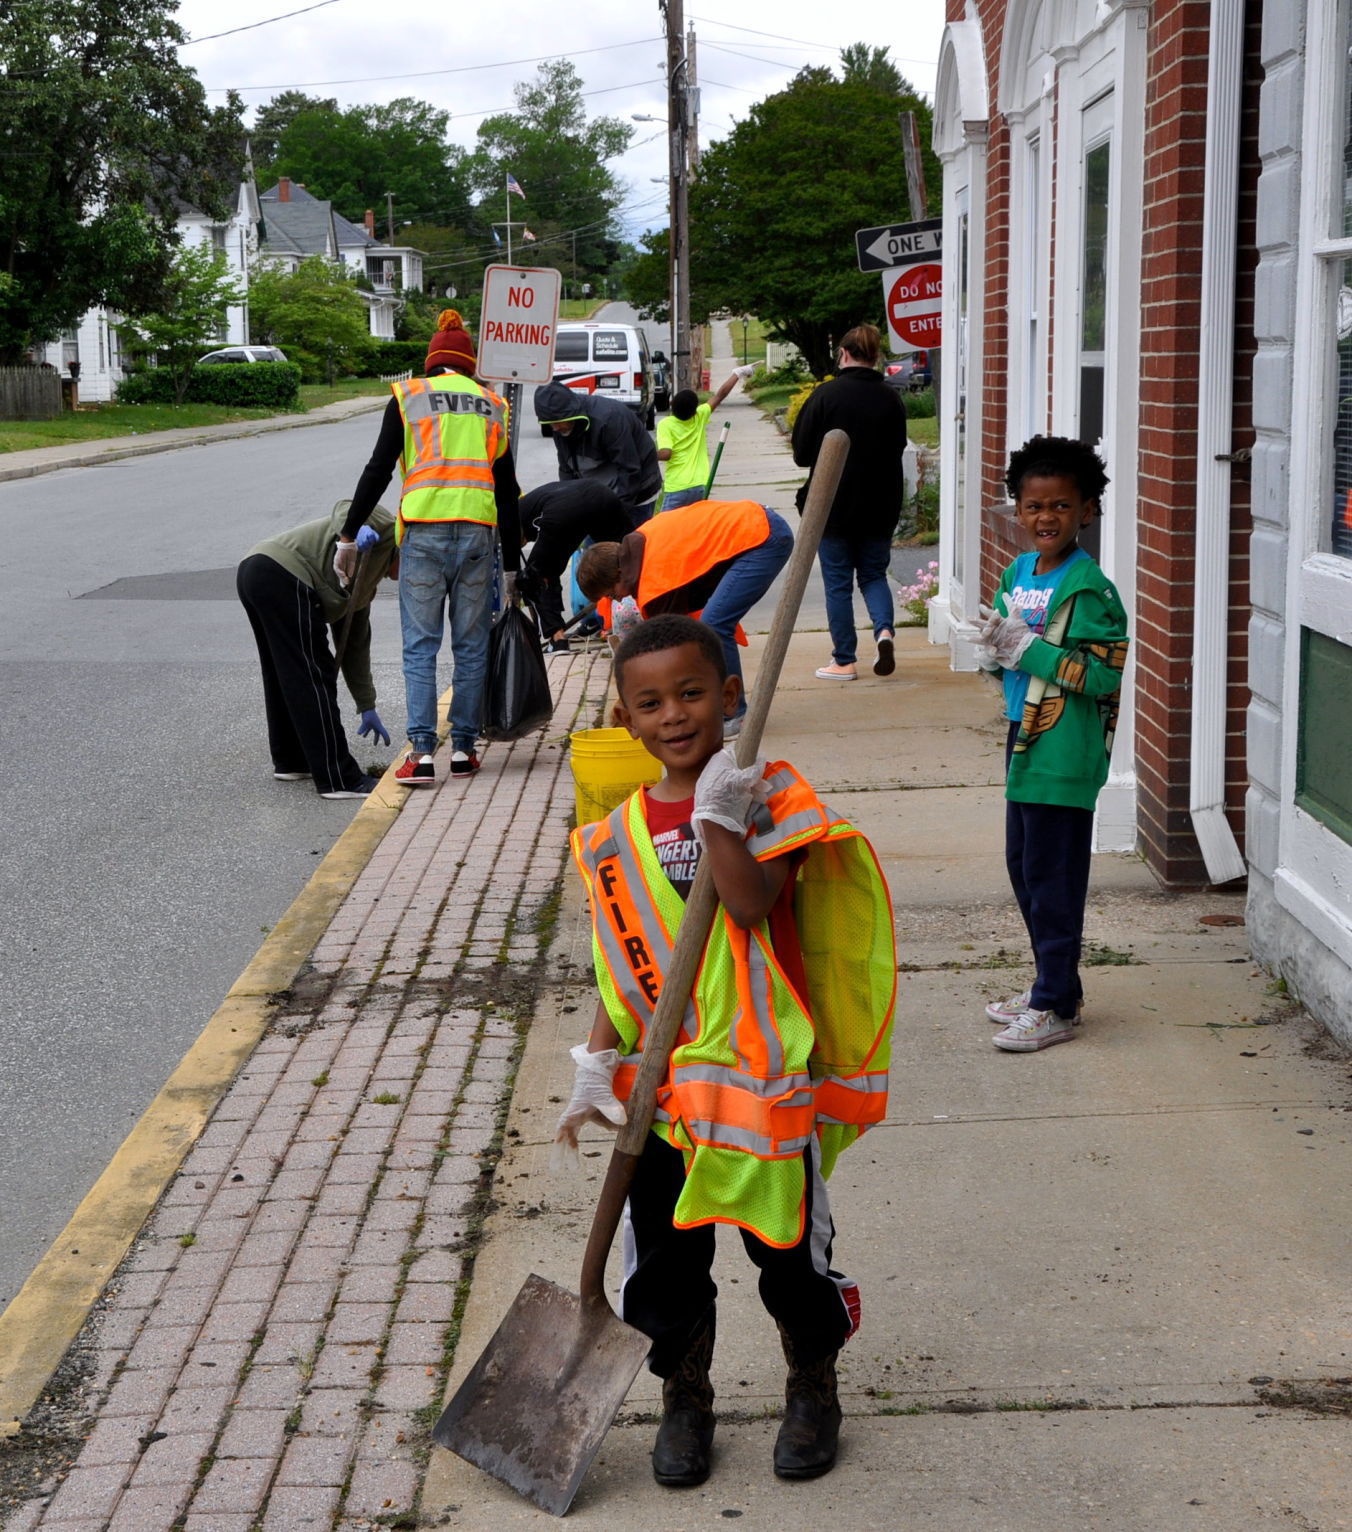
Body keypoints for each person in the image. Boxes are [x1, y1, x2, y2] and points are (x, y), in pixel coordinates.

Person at [558, 614, 895, 1487]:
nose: (674, 714)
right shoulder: (614, 835)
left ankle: (813, 1386)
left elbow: (749, 904)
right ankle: (686, 1397)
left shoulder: (767, 795)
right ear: (627, 719)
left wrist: (718, 818)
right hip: (663, 1097)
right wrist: (595, 1064)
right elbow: (620, 964)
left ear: (731, 694)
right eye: (651, 703)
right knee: (664, 1266)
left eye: (691, 693)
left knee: (790, 1260)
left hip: (761, 1088)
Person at [976, 435, 1130, 1052]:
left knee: (1053, 876)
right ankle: (1054, 984)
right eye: (1034, 506)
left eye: (1062, 506)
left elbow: (1102, 675)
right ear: (1017, 510)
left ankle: (1054, 1006)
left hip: (1064, 747)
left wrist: (1028, 649)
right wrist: (994, 649)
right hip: (1025, 737)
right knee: (1025, 867)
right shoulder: (1019, 572)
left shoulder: (1090, 587)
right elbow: (1006, 650)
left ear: (1087, 510)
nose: (1047, 517)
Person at [334, 310, 521, 788]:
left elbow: (378, 469)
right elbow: (506, 489)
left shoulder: (408, 396)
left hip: (423, 533)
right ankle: (463, 749)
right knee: (471, 644)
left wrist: (349, 534)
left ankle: (420, 754)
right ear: (469, 363)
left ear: (432, 361)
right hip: (478, 534)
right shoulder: (492, 405)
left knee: (421, 646)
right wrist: (512, 564)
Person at [575, 499, 794, 734]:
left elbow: (670, 648)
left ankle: (734, 715)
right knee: (709, 628)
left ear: (619, 573)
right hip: (756, 522)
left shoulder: (653, 580)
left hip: (761, 538)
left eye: (611, 594)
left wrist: (637, 700)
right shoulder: (637, 546)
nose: (617, 600)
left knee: (714, 627)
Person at [236, 501, 397, 799]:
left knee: (284, 673)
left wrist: (367, 704)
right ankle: (339, 779)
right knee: (313, 676)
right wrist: (354, 531)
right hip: (282, 573)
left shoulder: (368, 583)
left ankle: (291, 760)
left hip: (259, 572)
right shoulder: (387, 526)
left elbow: (354, 645)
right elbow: (346, 508)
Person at [790, 323, 908, 682]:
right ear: (875, 356)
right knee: (873, 574)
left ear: (843, 353)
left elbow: (802, 453)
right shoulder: (891, 398)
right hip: (881, 504)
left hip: (833, 506)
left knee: (838, 583)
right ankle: (884, 632)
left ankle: (844, 660)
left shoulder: (826, 396)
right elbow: (898, 447)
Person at [514, 480, 635, 651]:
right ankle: (645, 617)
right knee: (630, 558)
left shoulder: (513, 518)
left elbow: (539, 574)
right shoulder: (531, 503)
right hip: (602, 494)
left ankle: (558, 639)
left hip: (565, 512)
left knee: (536, 577)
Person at [533, 382, 662, 524]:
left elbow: (629, 470)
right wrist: (569, 503)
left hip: (638, 488)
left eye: (558, 422)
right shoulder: (559, 426)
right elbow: (567, 469)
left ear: (571, 414)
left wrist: (616, 513)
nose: (555, 428)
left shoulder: (609, 419)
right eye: (551, 423)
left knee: (629, 536)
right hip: (601, 490)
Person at [655, 366, 754, 510]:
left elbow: (666, 453)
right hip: (700, 485)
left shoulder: (666, 424)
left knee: (666, 523)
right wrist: (738, 373)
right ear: (694, 411)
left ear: (673, 405)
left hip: (677, 487)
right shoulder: (699, 416)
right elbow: (720, 395)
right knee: (696, 522)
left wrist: (646, 455)